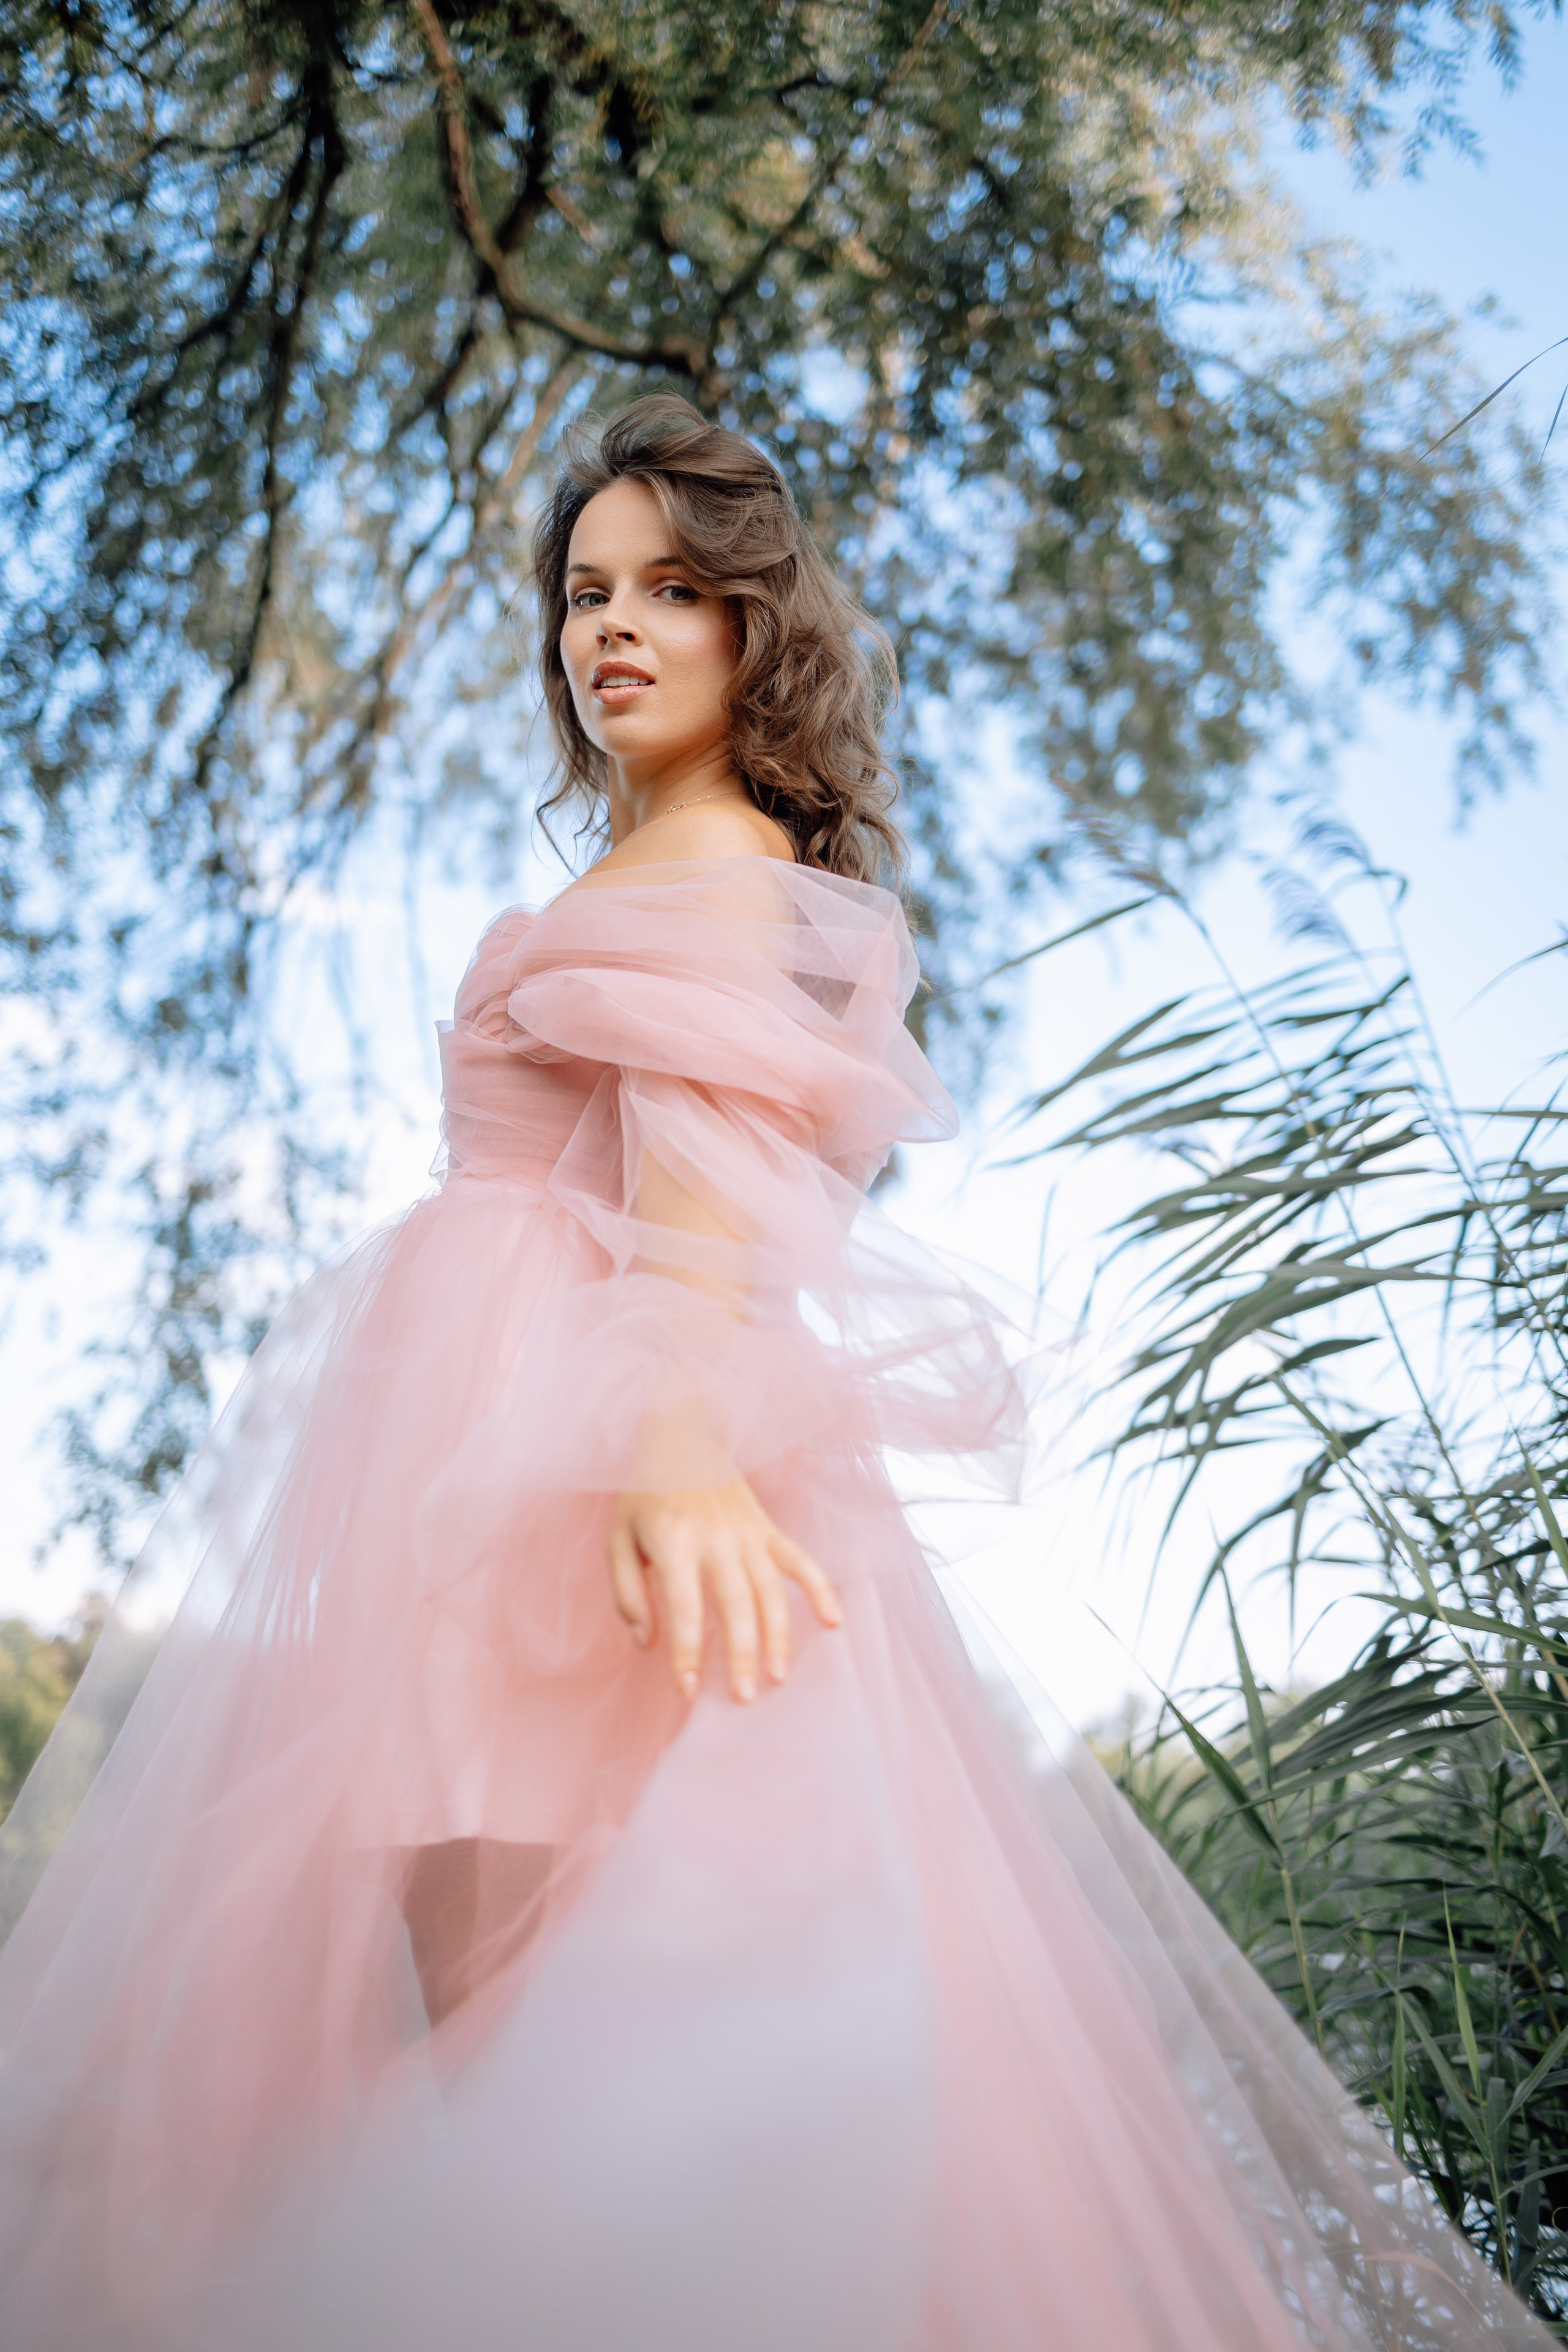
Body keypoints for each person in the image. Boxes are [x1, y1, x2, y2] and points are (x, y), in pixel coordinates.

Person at [0, 396, 1547, 2352]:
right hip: (496, 1467)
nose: (610, 628)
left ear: (754, 629)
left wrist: (675, 1461)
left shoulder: (718, 870)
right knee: (498, 2038)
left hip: (562, 1496)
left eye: (669, 589)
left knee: (510, 2037)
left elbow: (704, 1186)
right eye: (583, 591)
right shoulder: (657, 872)